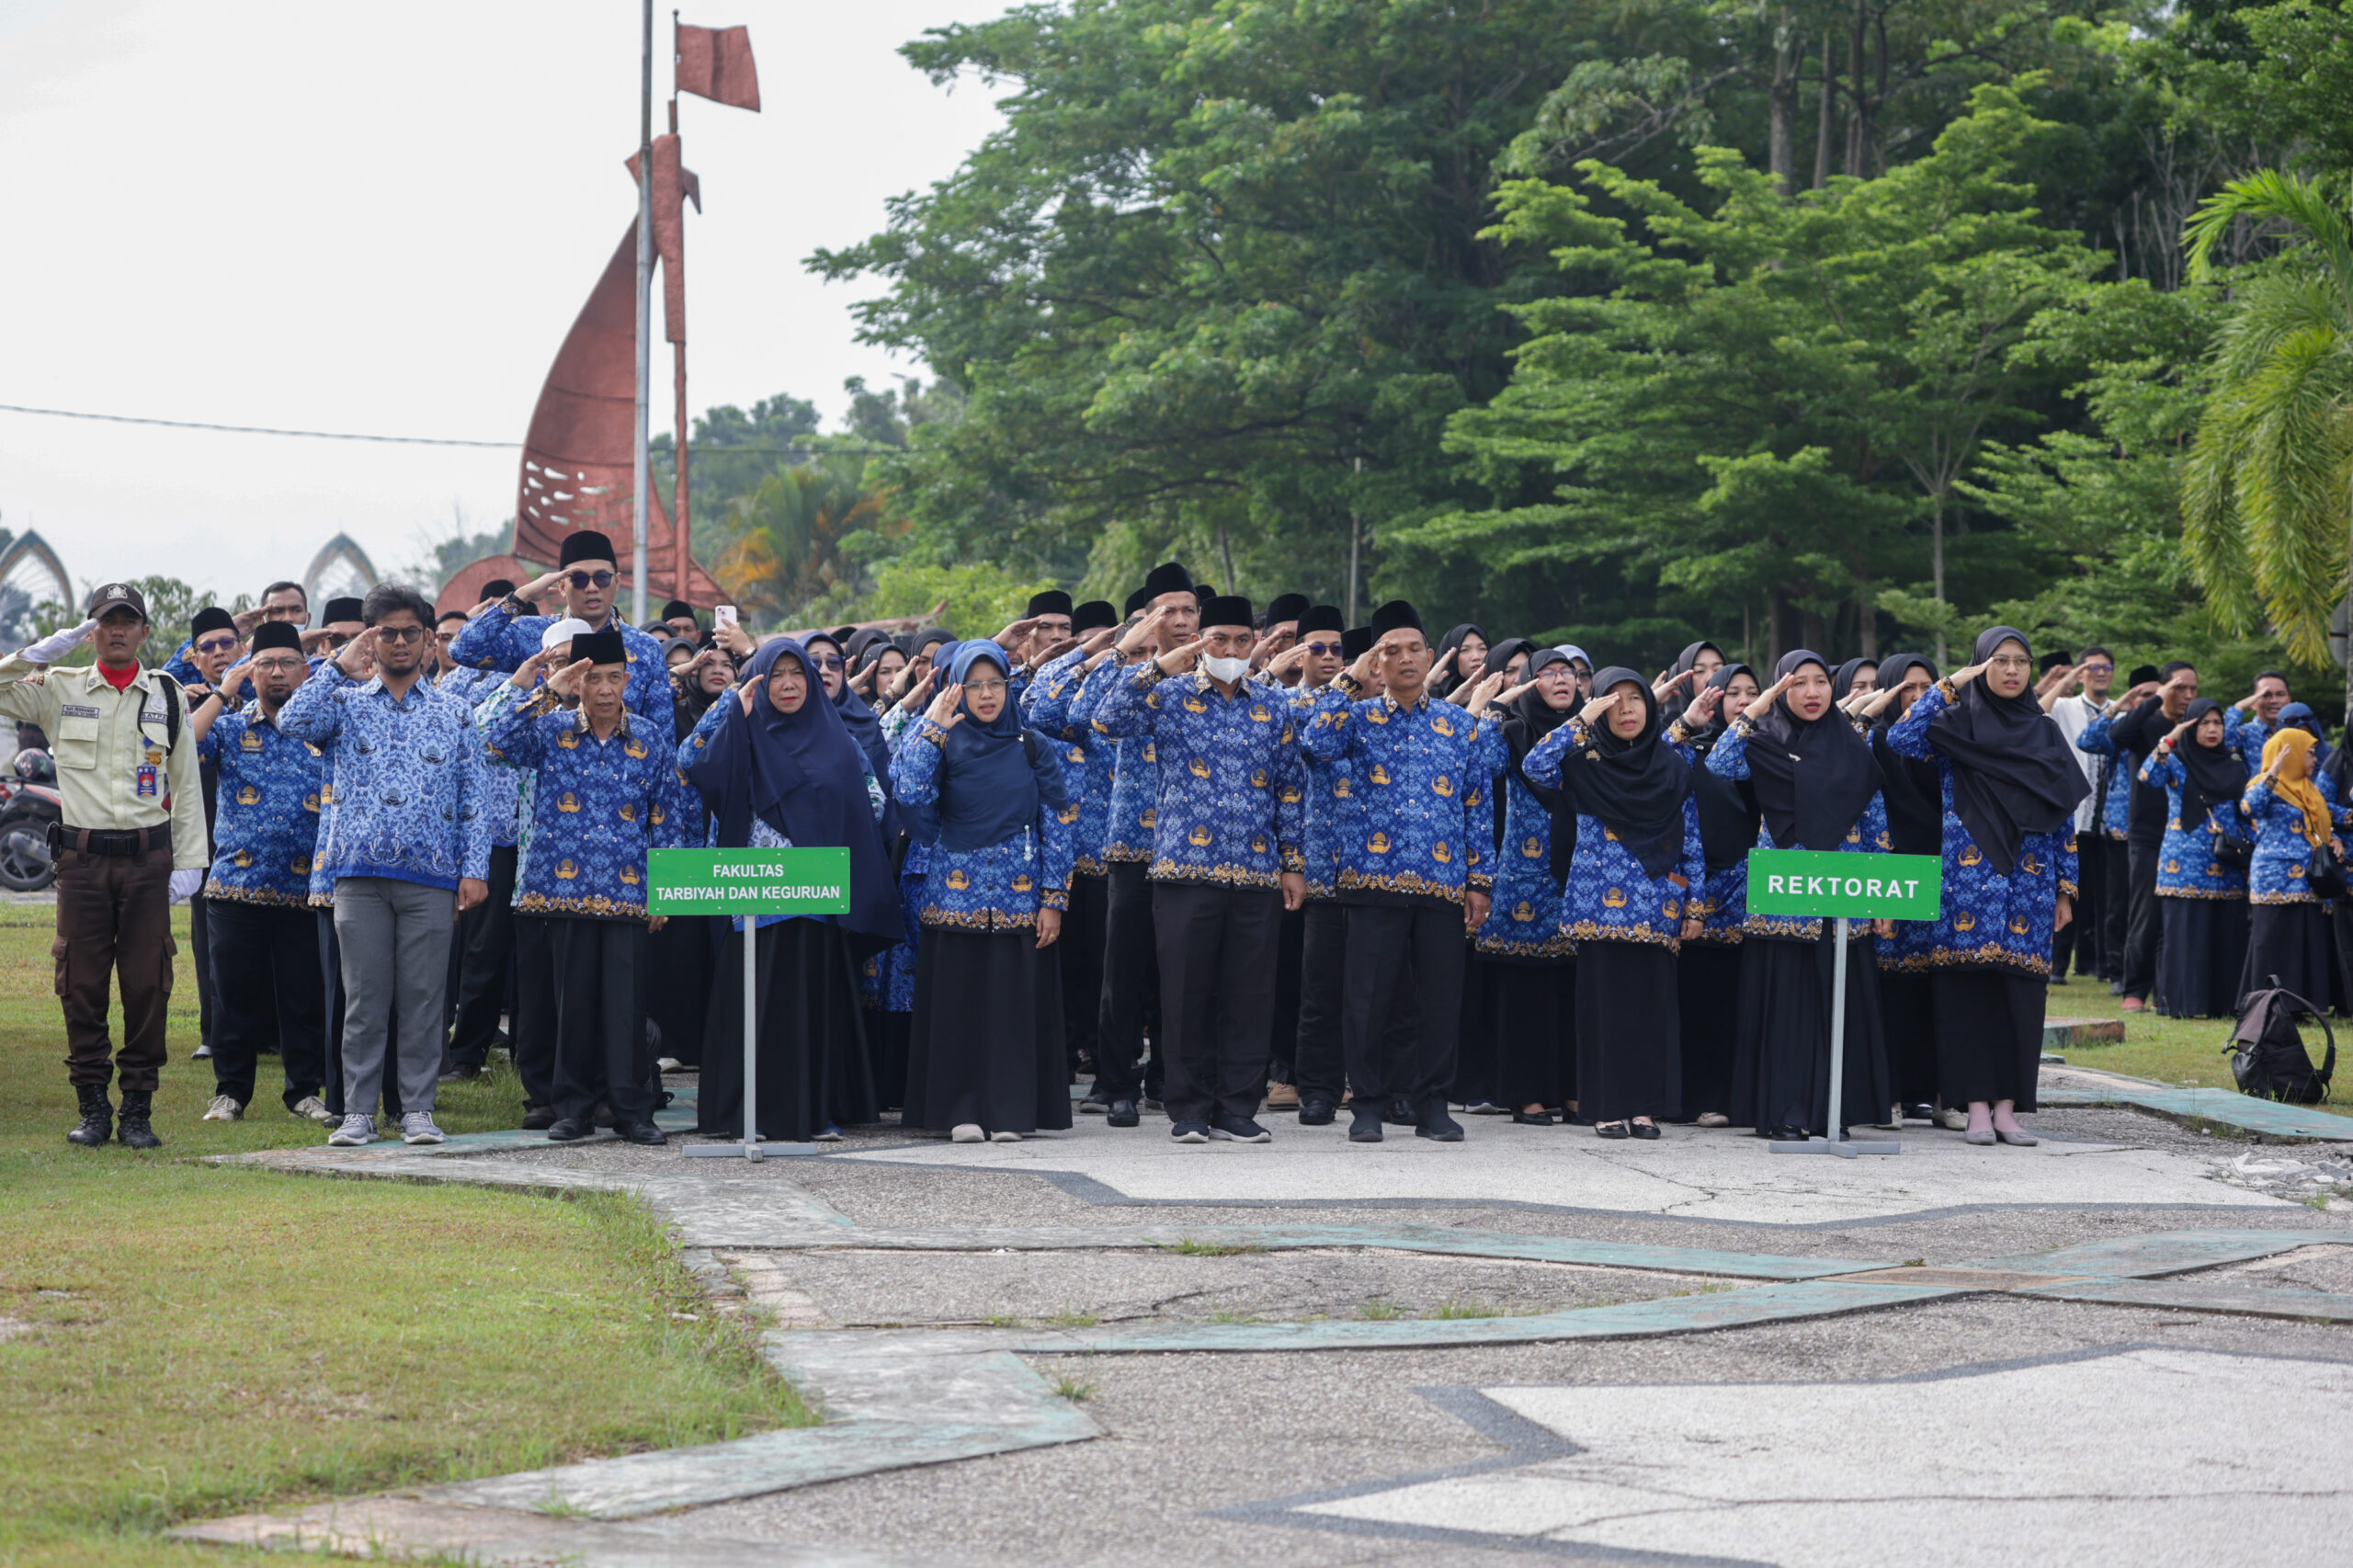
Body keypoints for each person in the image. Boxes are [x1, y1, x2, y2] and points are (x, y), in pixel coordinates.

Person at [278, 585, 492, 1147]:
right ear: (372, 639)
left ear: (427, 640)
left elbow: (475, 795)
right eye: (387, 632)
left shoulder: (454, 711)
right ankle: (358, 1112)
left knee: (423, 999)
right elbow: (292, 721)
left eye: (410, 633)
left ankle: (418, 1109)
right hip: (358, 877)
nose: (400, 642)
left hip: (431, 876)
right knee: (364, 1000)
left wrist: (474, 869)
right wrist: (336, 666)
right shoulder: (344, 703)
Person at [1093, 594, 1308, 1143]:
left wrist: (1292, 862)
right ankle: (1188, 1108)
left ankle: (1237, 1107)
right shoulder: (1168, 696)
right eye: (1220, 639)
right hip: (1184, 871)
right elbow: (1105, 717)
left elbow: (1289, 787)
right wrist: (1159, 665)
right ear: (1200, 642)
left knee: (1248, 996)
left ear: (1254, 644)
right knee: (1185, 994)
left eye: (1242, 640)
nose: (1231, 650)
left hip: (1256, 872)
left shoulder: (1274, 704)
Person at [0, 585, 208, 1147]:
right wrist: (38, 653)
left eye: (127, 621)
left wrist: (190, 862)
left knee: (148, 986)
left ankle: (137, 1108)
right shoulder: (58, 687)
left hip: (147, 861)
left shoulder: (167, 694)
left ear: (144, 631)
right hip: (83, 862)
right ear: (90, 631)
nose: (116, 630)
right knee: (81, 984)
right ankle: (92, 1106)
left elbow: (186, 784)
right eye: (106, 621)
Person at [679, 638, 901, 1142]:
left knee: (809, 1006)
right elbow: (690, 764)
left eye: (796, 673)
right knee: (754, 1003)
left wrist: (822, 828)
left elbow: (869, 803)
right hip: (752, 897)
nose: (787, 684)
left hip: (815, 895)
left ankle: (809, 1114)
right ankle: (748, 1116)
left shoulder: (838, 740)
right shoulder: (742, 732)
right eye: (774, 674)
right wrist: (731, 708)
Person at [1301, 599, 1505, 1143]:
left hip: (1442, 884)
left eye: (1415, 649)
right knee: (1366, 1000)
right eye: (1392, 651)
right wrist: (1350, 679)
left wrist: (1479, 881)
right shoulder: (1357, 718)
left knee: (1438, 1000)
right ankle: (1366, 1105)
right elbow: (1314, 742)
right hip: (1370, 881)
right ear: (1377, 661)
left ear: (1432, 656)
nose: (1406, 659)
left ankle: (1432, 1104)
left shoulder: (1459, 725)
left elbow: (1477, 807)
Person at [483, 630, 692, 1143]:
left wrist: (664, 891)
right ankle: (571, 1109)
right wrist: (547, 691)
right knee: (571, 1008)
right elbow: (492, 739)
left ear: (627, 680)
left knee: (626, 1010)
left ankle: (632, 1111)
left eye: (613, 678)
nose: (603, 689)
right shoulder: (550, 731)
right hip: (563, 893)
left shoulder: (650, 738)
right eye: (592, 678)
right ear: (577, 681)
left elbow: (668, 818)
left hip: (628, 895)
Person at [1885, 628, 2086, 1146]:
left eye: (2021, 661)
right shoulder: (1956, 725)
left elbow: (2062, 814)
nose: (2012, 670)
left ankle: (2007, 1111)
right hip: (1967, 887)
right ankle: (1974, 1108)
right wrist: (1949, 685)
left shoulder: (2044, 732)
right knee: (1966, 997)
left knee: (2020, 999)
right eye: (1999, 660)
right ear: (1980, 665)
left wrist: (2066, 888)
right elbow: (1900, 737)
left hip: (2030, 884)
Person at [892, 641, 1077, 1141]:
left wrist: (1053, 899)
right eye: (973, 685)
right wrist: (932, 728)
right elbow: (909, 792)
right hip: (954, 901)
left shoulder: (1032, 745)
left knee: (1010, 1010)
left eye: (996, 683)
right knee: (959, 1009)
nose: (987, 694)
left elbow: (1057, 823)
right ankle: (961, 1113)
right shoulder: (941, 741)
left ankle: (1011, 1113)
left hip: (1020, 900)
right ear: (956, 690)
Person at [1709, 653, 1894, 1142]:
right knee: (1788, 1012)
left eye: (1821, 682)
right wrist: (1757, 709)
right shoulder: (1764, 741)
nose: (1812, 693)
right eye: (1798, 683)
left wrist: (1881, 899)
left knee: (1838, 1007)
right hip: (1785, 900)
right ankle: (1785, 1112)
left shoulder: (1852, 744)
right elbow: (1719, 763)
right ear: (1781, 689)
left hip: (1844, 895)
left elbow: (1875, 820)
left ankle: (1833, 1113)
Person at [1523, 668, 1704, 1140]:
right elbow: (1534, 766)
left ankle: (1643, 1109)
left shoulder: (1672, 766)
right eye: (1613, 700)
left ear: (1650, 705)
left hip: (1658, 906)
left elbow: (1691, 839)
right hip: (1598, 910)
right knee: (1604, 1013)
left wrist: (1695, 905)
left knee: (1649, 1011)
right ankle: (1606, 1108)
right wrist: (1580, 721)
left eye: (1635, 699)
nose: (1626, 709)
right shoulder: (1582, 762)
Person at [188, 619, 331, 1123]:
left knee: (303, 997)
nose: (277, 673)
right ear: (251, 673)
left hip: (304, 888)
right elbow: (184, 745)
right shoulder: (229, 728)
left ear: (305, 671)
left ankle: (304, 1092)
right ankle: (230, 1092)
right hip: (236, 886)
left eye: (287, 663)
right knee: (233, 996)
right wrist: (222, 692)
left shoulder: (322, 730)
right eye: (265, 664)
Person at [1075, 565, 1202, 1124]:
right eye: (1168, 611)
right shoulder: (1133, 676)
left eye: (1189, 610)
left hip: (1195, 849)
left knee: (1183, 973)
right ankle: (1116, 1080)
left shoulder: (1218, 676)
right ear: (1148, 620)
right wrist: (1130, 655)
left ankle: (1171, 1078)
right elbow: (1079, 715)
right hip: (1133, 844)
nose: (1181, 620)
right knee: (1123, 971)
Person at [1021, 600, 1123, 1092]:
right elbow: (1037, 707)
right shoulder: (1060, 711)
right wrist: (1082, 657)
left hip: (1114, 859)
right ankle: (1057, 1068)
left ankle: (1110, 1072)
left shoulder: (1127, 703)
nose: (1111, 657)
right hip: (1060, 861)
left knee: (1109, 972)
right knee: (1060, 971)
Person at [1475, 646, 1578, 1124]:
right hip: (1525, 879)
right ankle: (1527, 1094)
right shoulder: (1514, 731)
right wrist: (1495, 709)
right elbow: (1480, 764)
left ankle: (1573, 1090)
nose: (1561, 680)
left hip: (1579, 872)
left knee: (1574, 991)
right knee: (1526, 993)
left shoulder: (1589, 731)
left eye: (1568, 673)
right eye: (1548, 673)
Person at [1257, 604, 1345, 1106]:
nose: (1328, 657)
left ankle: (1338, 1074)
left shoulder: (1357, 706)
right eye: (1318, 648)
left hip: (1343, 860)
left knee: (1336, 976)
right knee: (1288, 969)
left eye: (1337, 649)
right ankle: (1285, 1071)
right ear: (1299, 653)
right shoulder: (1281, 702)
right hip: (1290, 855)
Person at [449, 529, 673, 725]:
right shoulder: (531, 634)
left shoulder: (645, 648)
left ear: (617, 582)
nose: (592, 588)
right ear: (562, 586)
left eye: (602, 578)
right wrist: (523, 595)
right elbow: (462, 649)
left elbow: (661, 735)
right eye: (579, 579)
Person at [1860, 654, 1943, 1122]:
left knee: (1931, 987)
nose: (1917, 697)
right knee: (1888, 988)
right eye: (1907, 688)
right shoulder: (1876, 741)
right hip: (1891, 870)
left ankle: (1924, 1089)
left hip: (1942, 868)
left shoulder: (1946, 739)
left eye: (1927, 687)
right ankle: (1885, 1092)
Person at [1677, 661, 1758, 1125]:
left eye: (1753, 692)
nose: (1744, 701)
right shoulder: (1694, 749)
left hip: (1757, 888)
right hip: (1703, 886)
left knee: (1742, 999)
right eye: (1733, 693)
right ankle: (1699, 1097)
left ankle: (1736, 1098)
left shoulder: (1771, 749)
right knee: (1702, 995)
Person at [2139, 697, 2253, 1018]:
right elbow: (2148, 776)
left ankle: (2224, 1005)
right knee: (2187, 936)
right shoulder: (2176, 759)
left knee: (2227, 936)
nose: (2212, 729)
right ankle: (2183, 1004)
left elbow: (2244, 812)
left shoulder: (2233, 763)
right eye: (2204, 723)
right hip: (2184, 864)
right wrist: (2170, 739)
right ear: (2191, 726)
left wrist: (2250, 851)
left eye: (2217, 723)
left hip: (2227, 862)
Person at [2236, 726, 2349, 1010]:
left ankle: (2302, 1006)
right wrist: (2273, 772)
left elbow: (2333, 818)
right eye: (2309, 753)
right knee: (2273, 942)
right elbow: (2249, 808)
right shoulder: (2264, 784)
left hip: (2309, 881)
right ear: (2291, 755)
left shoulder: (2310, 790)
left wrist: (2333, 838)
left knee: (2303, 942)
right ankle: (2267, 1005)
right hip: (2274, 880)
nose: (2315, 759)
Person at [179, 608, 243, 1062]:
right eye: (208, 646)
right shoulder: (184, 699)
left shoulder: (269, 691)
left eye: (227, 643)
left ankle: (271, 1032)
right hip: (205, 835)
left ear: (242, 648)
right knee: (209, 937)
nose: (219, 652)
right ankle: (214, 1030)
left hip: (263, 836)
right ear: (194, 657)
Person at [2041, 646, 2116, 984]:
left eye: (2106, 667)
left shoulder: (2119, 711)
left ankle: (2101, 965)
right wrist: (2064, 678)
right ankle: (2057, 965)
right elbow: (2038, 708)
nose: (2100, 673)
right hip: (2072, 815)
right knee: (2066, 890)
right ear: (2082, 673)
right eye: (2092, 667)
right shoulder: (2065, 706)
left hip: (2108, 821)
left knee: (2105, 898)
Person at [1428, 622, 1488, 700]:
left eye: (1482, 648)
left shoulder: (1500, 695)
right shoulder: (1428, 698)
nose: (1476, 657)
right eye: (1465, 650)